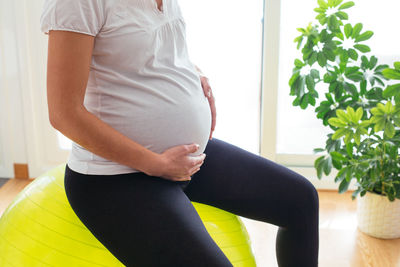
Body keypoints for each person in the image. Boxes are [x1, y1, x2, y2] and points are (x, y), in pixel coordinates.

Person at [40, 0, 319, 266]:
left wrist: (192, 73)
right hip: (115, 180)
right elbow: (64, 114)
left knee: (300, 201)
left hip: (186, 159)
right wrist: (156, 163)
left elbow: (142, 52)